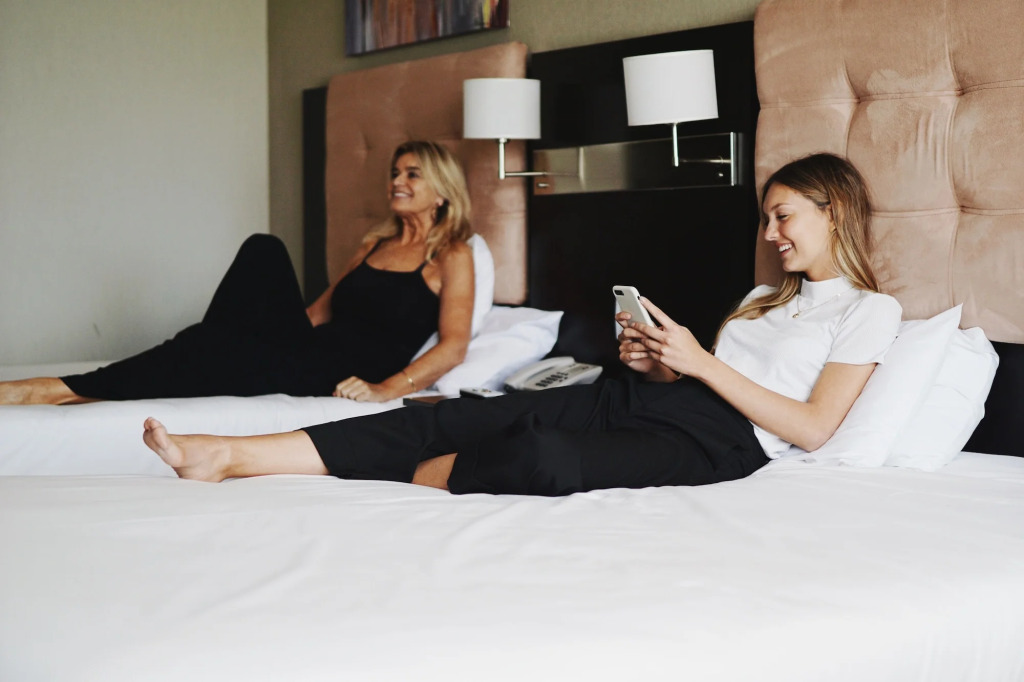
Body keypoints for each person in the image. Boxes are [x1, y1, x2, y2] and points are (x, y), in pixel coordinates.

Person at [141, 153, 903, 496]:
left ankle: (390, 476)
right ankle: (229, 454)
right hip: (655, 399)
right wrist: (658, 361)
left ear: (833, 210)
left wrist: (700, 363)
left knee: (541, 456)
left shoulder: (871, 310)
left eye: (783, 216)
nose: (771, 233)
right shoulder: (765, 298)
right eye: (768, 218)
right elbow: (699, 375)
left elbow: (813, 428)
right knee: (451, 415)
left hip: (720, 443)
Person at [0, 141, 475, 405]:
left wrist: (386, 389)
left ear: (442, 191)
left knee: (211, 345)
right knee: (262, 251)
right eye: (395, 172)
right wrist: (247, 335)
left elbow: (454, 346)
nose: (396, 181)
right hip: (308, 350)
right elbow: (316, 315)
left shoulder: (452, 256)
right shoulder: (374, 245)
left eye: (411, 174)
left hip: (342, 373)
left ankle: (61, 390)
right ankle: (79, 387)